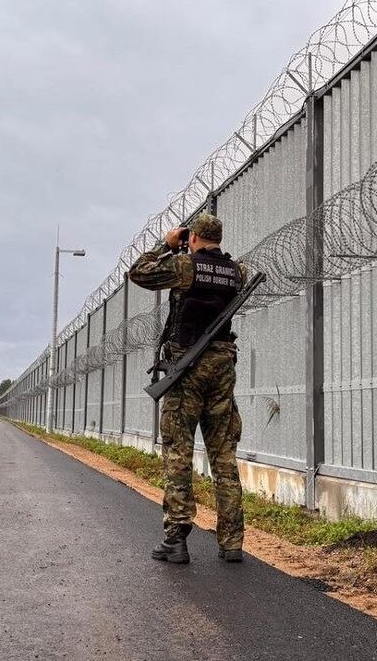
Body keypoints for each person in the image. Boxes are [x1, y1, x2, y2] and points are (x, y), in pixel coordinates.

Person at [127, 213, 248, 564]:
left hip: (187, 369)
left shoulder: (184, 266)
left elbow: (138, 272)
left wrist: (166, 245)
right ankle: (232, 543)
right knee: (224, 455)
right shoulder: (237, 272)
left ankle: (176, 538)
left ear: (192, 237)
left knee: (178, 452)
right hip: (223, 369)